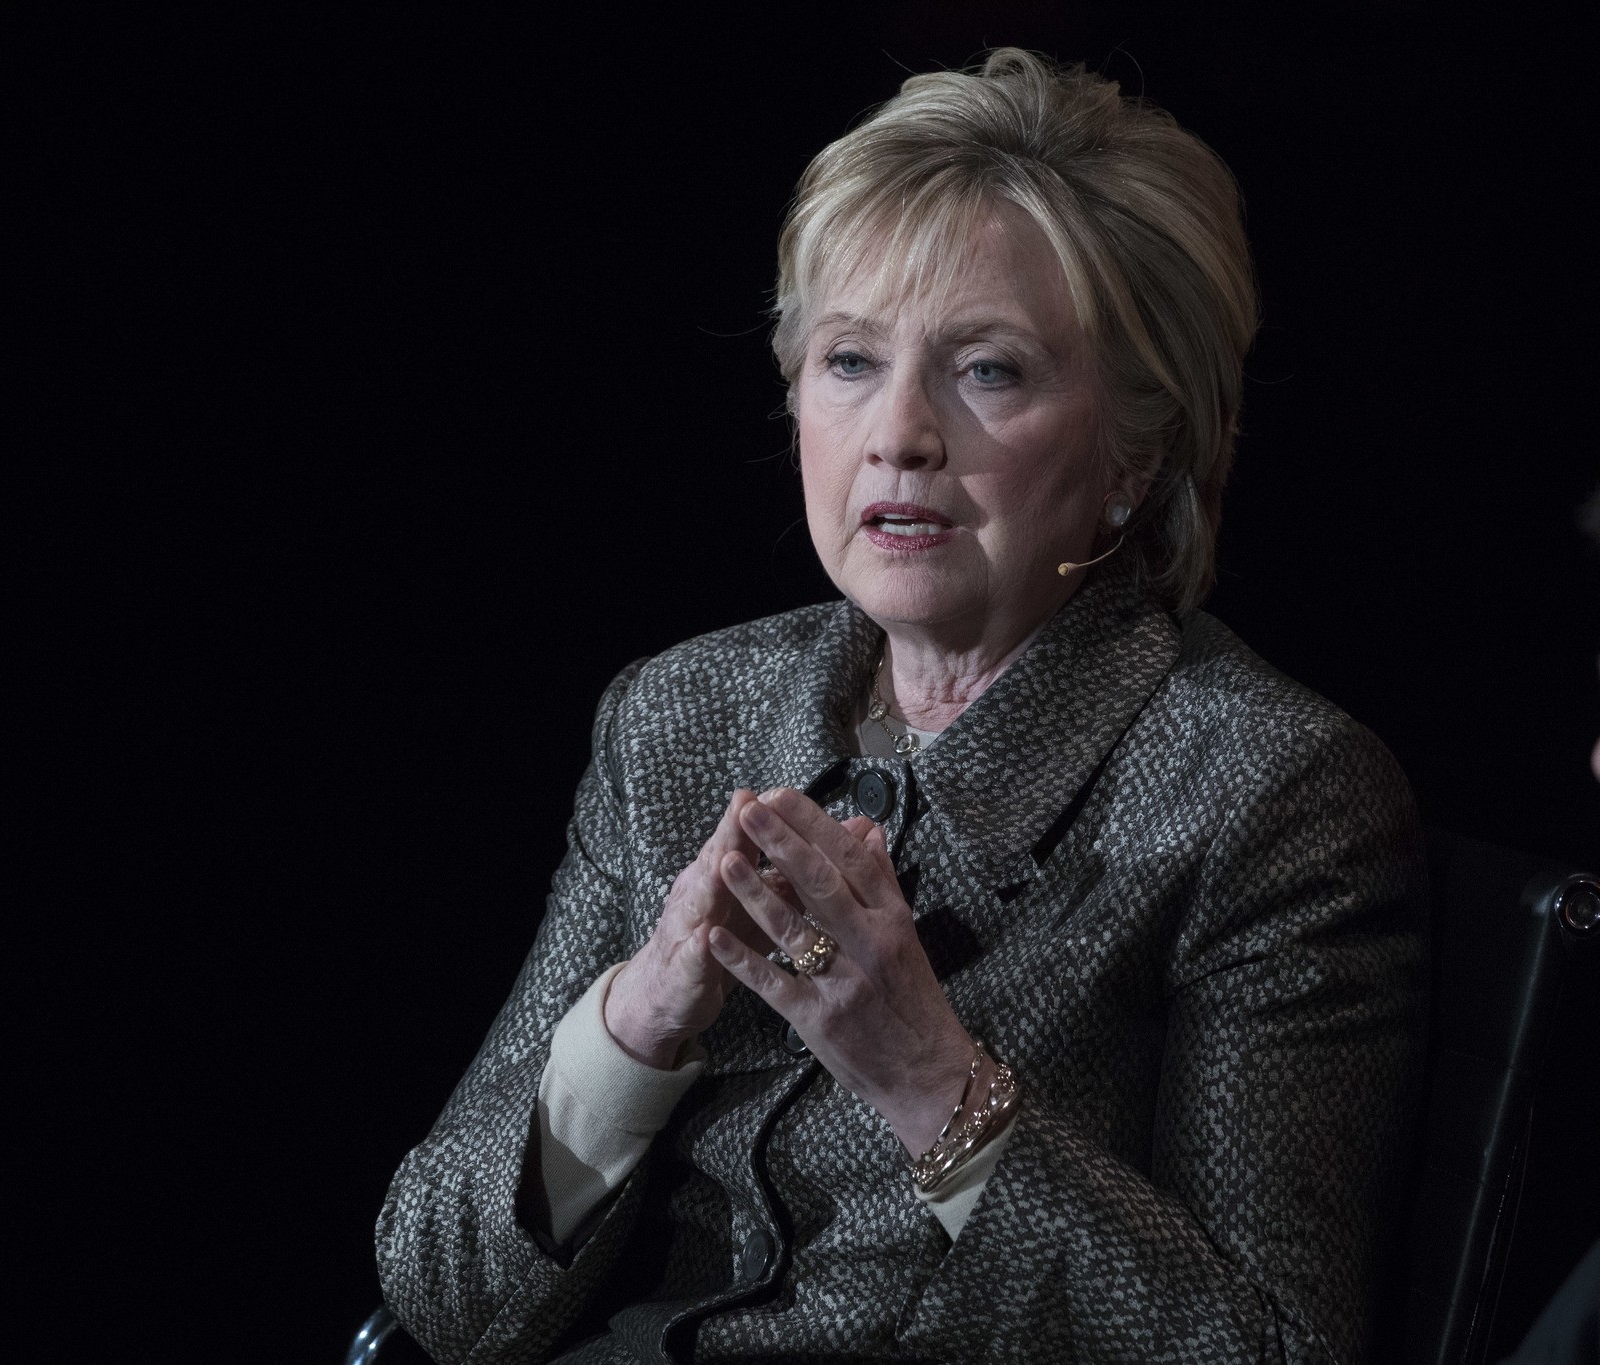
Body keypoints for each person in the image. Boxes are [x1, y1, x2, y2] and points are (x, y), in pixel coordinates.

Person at [376, 50, 1424, 1363]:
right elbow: (443, 1294)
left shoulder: (1271, 792)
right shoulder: (683, 714)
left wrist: (926, 1070)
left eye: (987, 370)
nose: (900, 433)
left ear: (1136, 456)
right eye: (852, 359)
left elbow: (1269, 1349)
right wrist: (639, 1016)